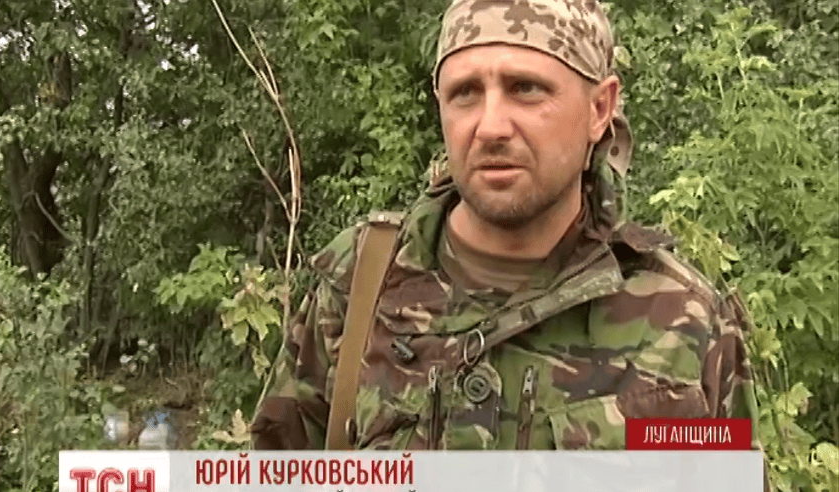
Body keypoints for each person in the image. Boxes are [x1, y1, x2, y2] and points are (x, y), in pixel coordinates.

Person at [251, 0, 764, 457]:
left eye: (526, 89)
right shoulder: (361, 282)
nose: (491, 126)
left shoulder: (682, 319)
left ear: (599, 110)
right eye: (465, 93)